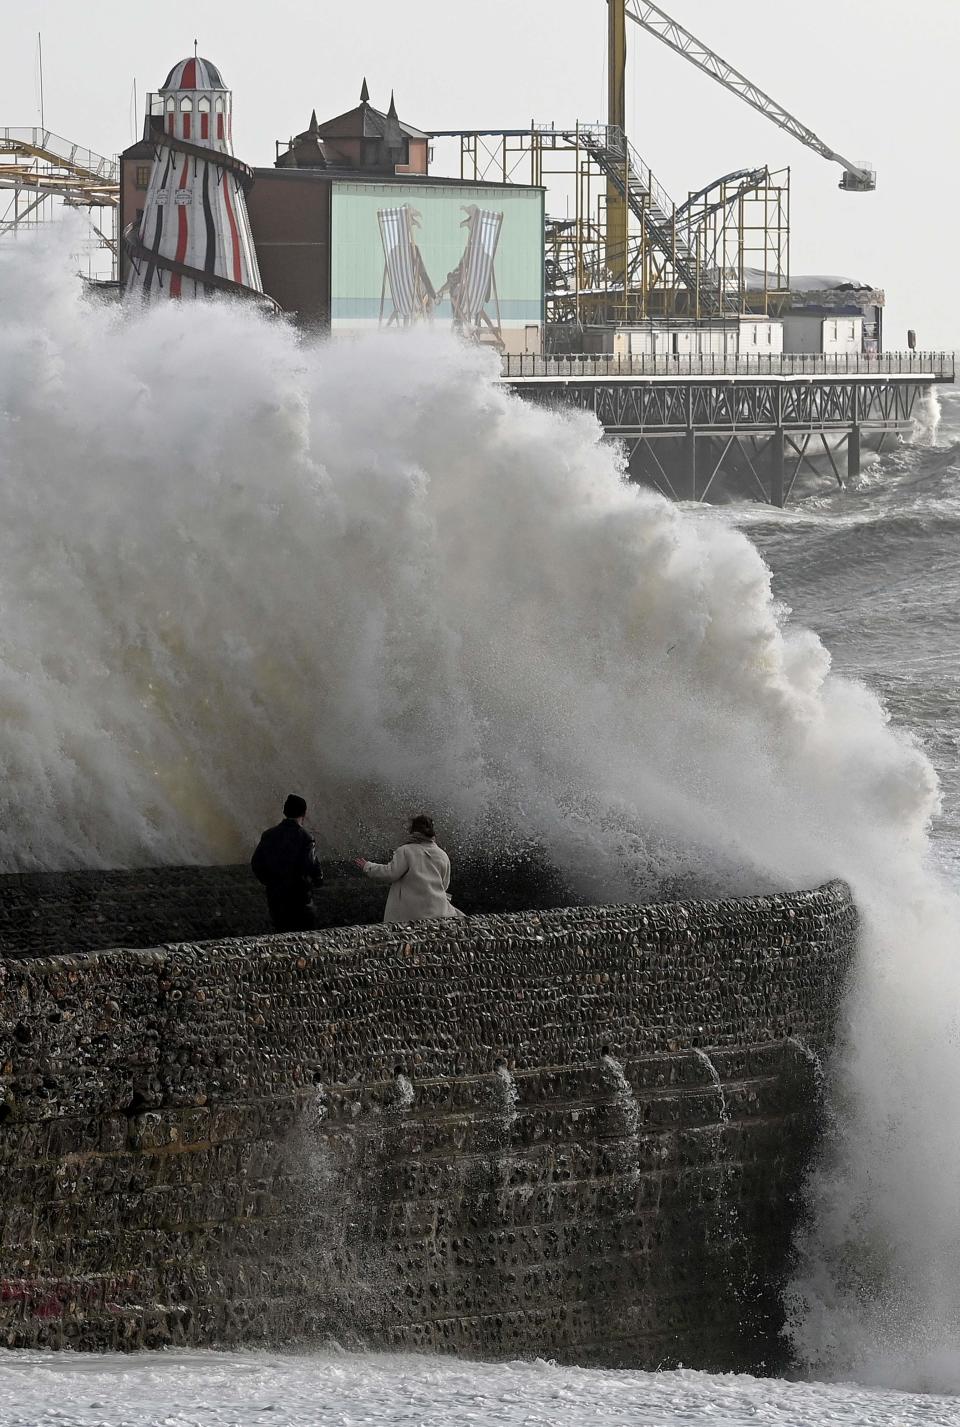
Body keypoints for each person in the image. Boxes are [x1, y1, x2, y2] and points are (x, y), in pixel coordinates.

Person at [356, 814, 464, 925]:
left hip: (411, 915)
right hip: (439, 911)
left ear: (413, 831)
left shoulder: (406, 851)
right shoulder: (442, 855)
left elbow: (390, 873)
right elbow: (444, 885)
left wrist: (368, 866)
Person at [251, 794, 323, 932]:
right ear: (304, 813)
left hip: (276, 897)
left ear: (285, 811)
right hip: (299, 899)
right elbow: (310, 865)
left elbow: (256, 863)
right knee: (305, 938)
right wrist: (318, 880)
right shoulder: (305, 837)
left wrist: (269, 882)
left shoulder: (269, 835)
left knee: (281, 933)